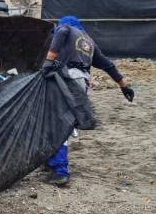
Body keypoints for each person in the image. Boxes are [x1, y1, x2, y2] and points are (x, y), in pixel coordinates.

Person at [41, 15, 135, 186]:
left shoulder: (67, 29)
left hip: (67, 79)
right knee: (62, 119)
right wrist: (123, 85)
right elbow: (107, 64)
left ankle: (60, 171)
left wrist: (49, 60)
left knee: (59, 121)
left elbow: (61, 32)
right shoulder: (88, 41)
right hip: (82, 82)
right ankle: (51, 161)